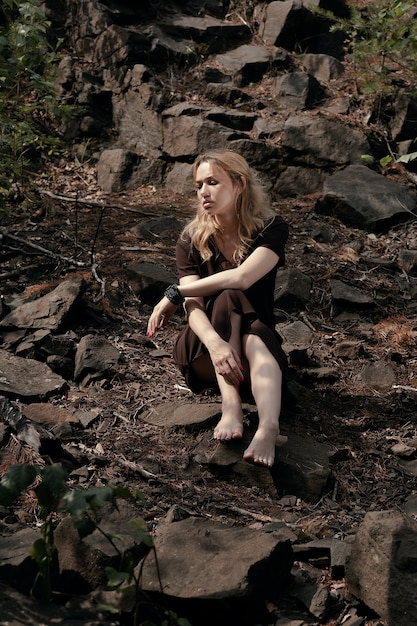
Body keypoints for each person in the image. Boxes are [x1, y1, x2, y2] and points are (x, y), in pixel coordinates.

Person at [147, 150, 289, 468]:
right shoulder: (191, 239)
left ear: (239, 184)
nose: (203, 192)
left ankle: (268, 425)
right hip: (203, 350)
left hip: (255, 351)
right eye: (199, 185)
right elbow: (194, 307)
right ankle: (231, 405)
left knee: (239, 309)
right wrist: (215, 344)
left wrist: (175, 292)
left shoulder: (271, 229)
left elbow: (242, 277)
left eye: (213, 182)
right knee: (223, 301)